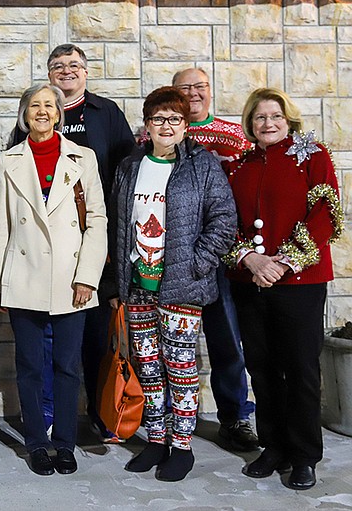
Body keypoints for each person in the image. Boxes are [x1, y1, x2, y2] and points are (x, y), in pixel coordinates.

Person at [8, 44, 136, 441]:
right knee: (42, 348)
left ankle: (100, 414)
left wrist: (114, 247)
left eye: (74, 66)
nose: (67, 71)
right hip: (37, 259)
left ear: (85, 72)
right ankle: (46, 414)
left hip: (92, 251)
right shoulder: (30, 124)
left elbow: (125, 175)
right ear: (49, 75)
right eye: (58, 66)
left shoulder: (107, 113)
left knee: (94, 338)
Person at [110, 86, 236, 482]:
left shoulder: (202, 166)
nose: (166, 126)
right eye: (158, 118)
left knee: (180, 367)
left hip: (183, 285)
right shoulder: (131, 165)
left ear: (185, 126)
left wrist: (197, 263)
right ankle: (157, 439)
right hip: (139, 284)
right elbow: (119, 224)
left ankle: (182, 446)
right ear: (147, 125)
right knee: (148, 366)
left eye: (174, 119)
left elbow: (224, 220)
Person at [225, 88, 342, 490]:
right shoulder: (240, 165)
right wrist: (250, 260)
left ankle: (304, 455)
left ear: (288, 119)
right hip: (250, 281)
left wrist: (285, 262)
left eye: (275, 116)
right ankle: (273, 446)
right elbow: (227, 222)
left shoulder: (313, 157)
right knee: (261, 367)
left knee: (301, 369)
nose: (268, 123)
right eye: (259, 118)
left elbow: (325, 214)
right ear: (250, 124)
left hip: (300, 282)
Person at [0, 83, 107, 476]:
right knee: (29, 366)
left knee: (67, 366)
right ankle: (37, 443)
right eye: (34, 106)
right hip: (23, 277)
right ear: (25, 115)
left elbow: (98, 221)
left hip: (72, 278)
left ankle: (66, 444)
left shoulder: (83, 157)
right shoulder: (9, 160)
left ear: (59, 113)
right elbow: (1, 226)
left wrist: (87, 276)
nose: (42, 111)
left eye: (49, 106)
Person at [171, 67, 258, 451]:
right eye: (184, 88)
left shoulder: (234, 136)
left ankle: (236, 416)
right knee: (172, 342)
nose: (193, 93)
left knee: (227, 340)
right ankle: (173, 419)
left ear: (210, 91)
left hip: (224, 255)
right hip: (175, 255)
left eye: (199, 86)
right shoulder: (162, 133)